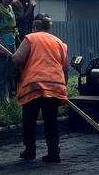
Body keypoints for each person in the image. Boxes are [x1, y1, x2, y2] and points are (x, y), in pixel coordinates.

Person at [11, 15, 69, 163]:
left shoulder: (31, 38)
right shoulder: (59, 43)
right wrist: (62, 87)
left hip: (34, 84)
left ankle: (30, 150)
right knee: (51, 120)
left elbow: (17, 59)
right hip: (55, 84)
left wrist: (13, 58)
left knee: (29, 118)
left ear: (34, 27)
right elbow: (65, 68)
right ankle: (54, 152)